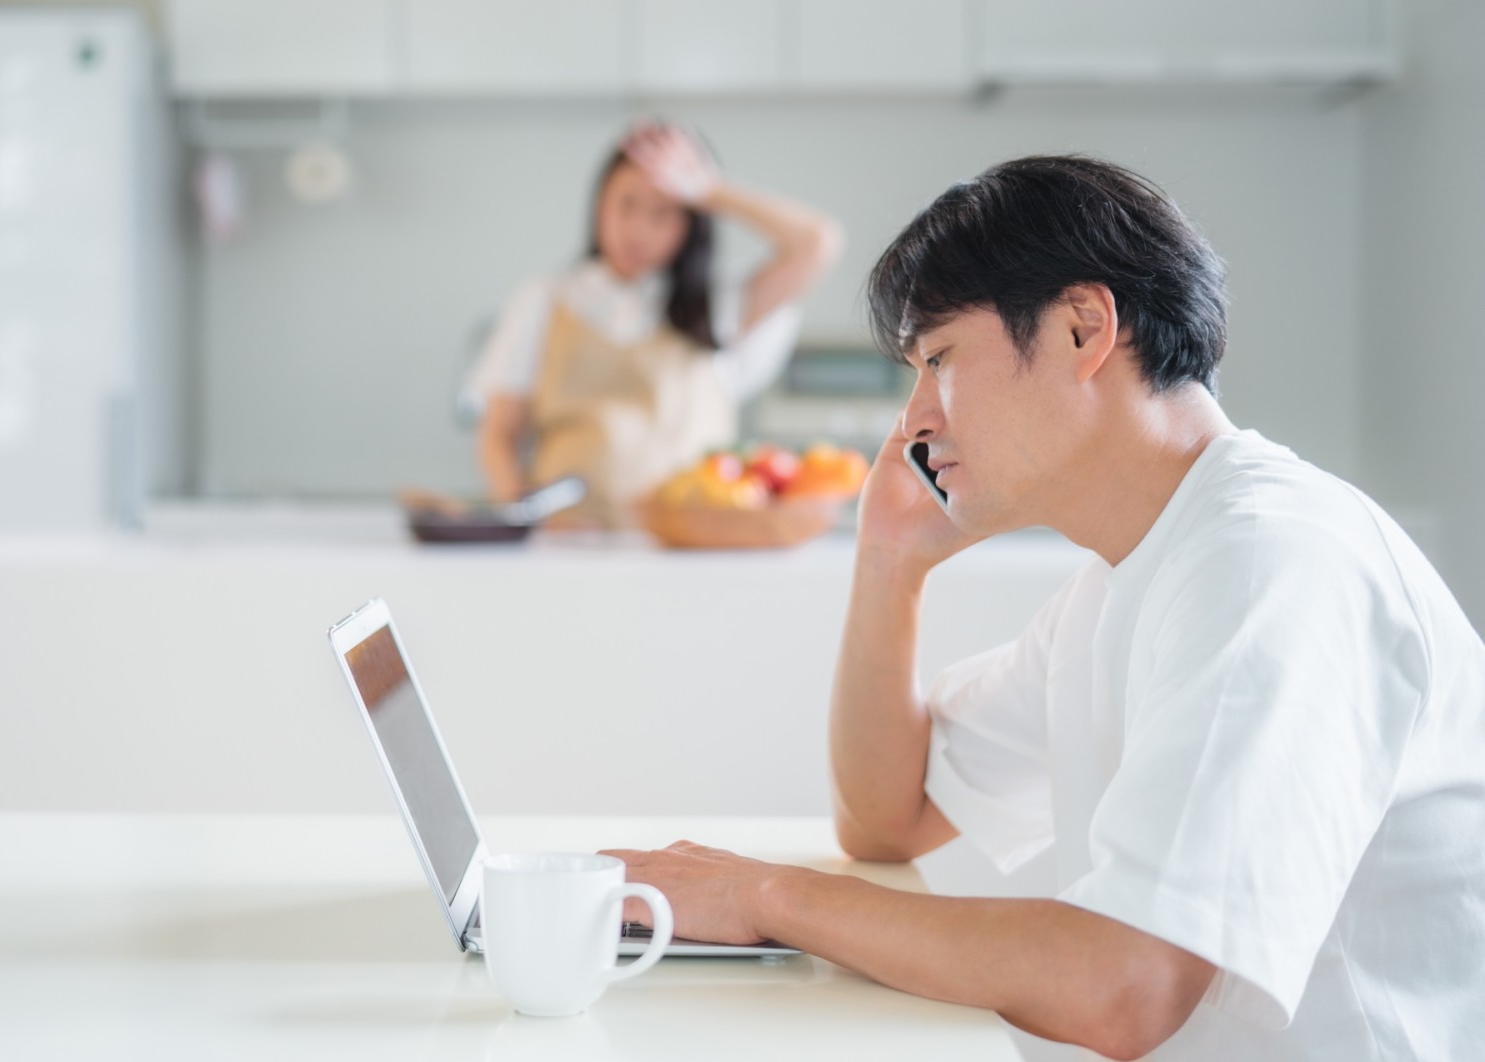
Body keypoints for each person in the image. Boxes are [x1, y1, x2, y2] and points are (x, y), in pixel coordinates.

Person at [605, 156, 1485, 1060]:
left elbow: (1125, 985)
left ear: (1081, 327)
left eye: (939, 359)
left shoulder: (1271, 563)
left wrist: (764, 898)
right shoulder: (1123, 577)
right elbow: (888, 817)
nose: (912, 422)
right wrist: (889, 561)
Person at [468, 122, 842, 527]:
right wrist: (521, 516)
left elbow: (818, 242)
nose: (639, 229)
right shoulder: (545, 299)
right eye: (626, 204)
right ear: (599, 204)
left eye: (663, 211)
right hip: (569, 546)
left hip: (694, 546)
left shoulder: (718, 304)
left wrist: (710, 190)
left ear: (690, 223)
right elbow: (500, 434)